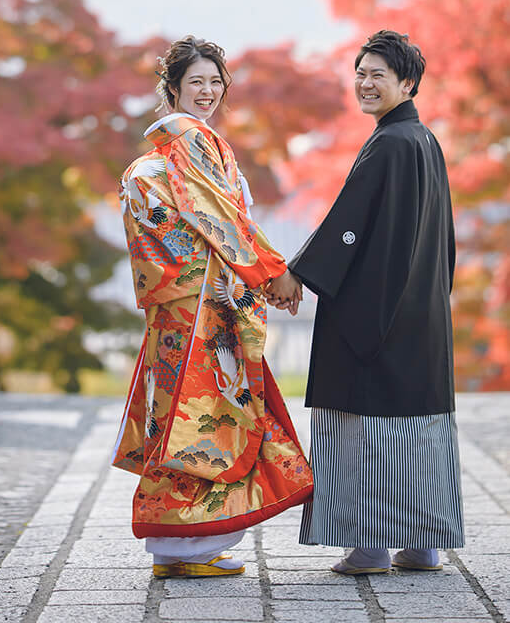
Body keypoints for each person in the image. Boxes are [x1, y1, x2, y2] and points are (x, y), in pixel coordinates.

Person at [112, 36, 312, 578]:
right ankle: (186, 546)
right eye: (196, 81)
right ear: (172, 87)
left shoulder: (157, 158)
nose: (207, 91)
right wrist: (273, 274)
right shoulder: (193, 146)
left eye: (215, 81)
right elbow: (225, 223)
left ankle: (179, 548)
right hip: (202, 307)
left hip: (176, 308)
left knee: (175, 414)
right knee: (204, 418)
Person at [266, 29, 465, 575]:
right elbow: (442, 239)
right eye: (361, 72)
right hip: (419, 313)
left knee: (368, 426)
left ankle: (372, 543)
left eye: (379, 74)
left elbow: (348, 227)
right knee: (417, 431)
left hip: (376, 318)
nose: (365, 83)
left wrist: (297, 274)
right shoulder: (423, 141)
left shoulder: (390, 144)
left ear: (408, 83)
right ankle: (424, 544)